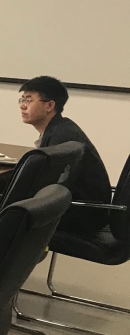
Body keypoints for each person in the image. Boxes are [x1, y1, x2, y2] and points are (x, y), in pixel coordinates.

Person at [19, 75, 110, 232]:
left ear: (49, 105)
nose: (22, 106)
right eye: (22, 100)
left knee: (0, 210)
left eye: (29, 100)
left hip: (82, 214)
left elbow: (47, 186)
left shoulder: (62, 138)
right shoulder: (61, 129)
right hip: (87, 210)